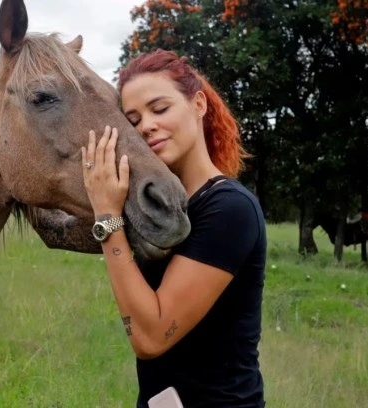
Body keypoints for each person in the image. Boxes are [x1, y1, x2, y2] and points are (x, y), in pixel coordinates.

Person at [81, 49, 266, 407]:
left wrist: (107, 216)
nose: (146, 125)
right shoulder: (162, 211)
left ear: (198, 104)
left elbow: (151, 337)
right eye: (132, 120)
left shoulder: (230, 209)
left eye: (160, 108)